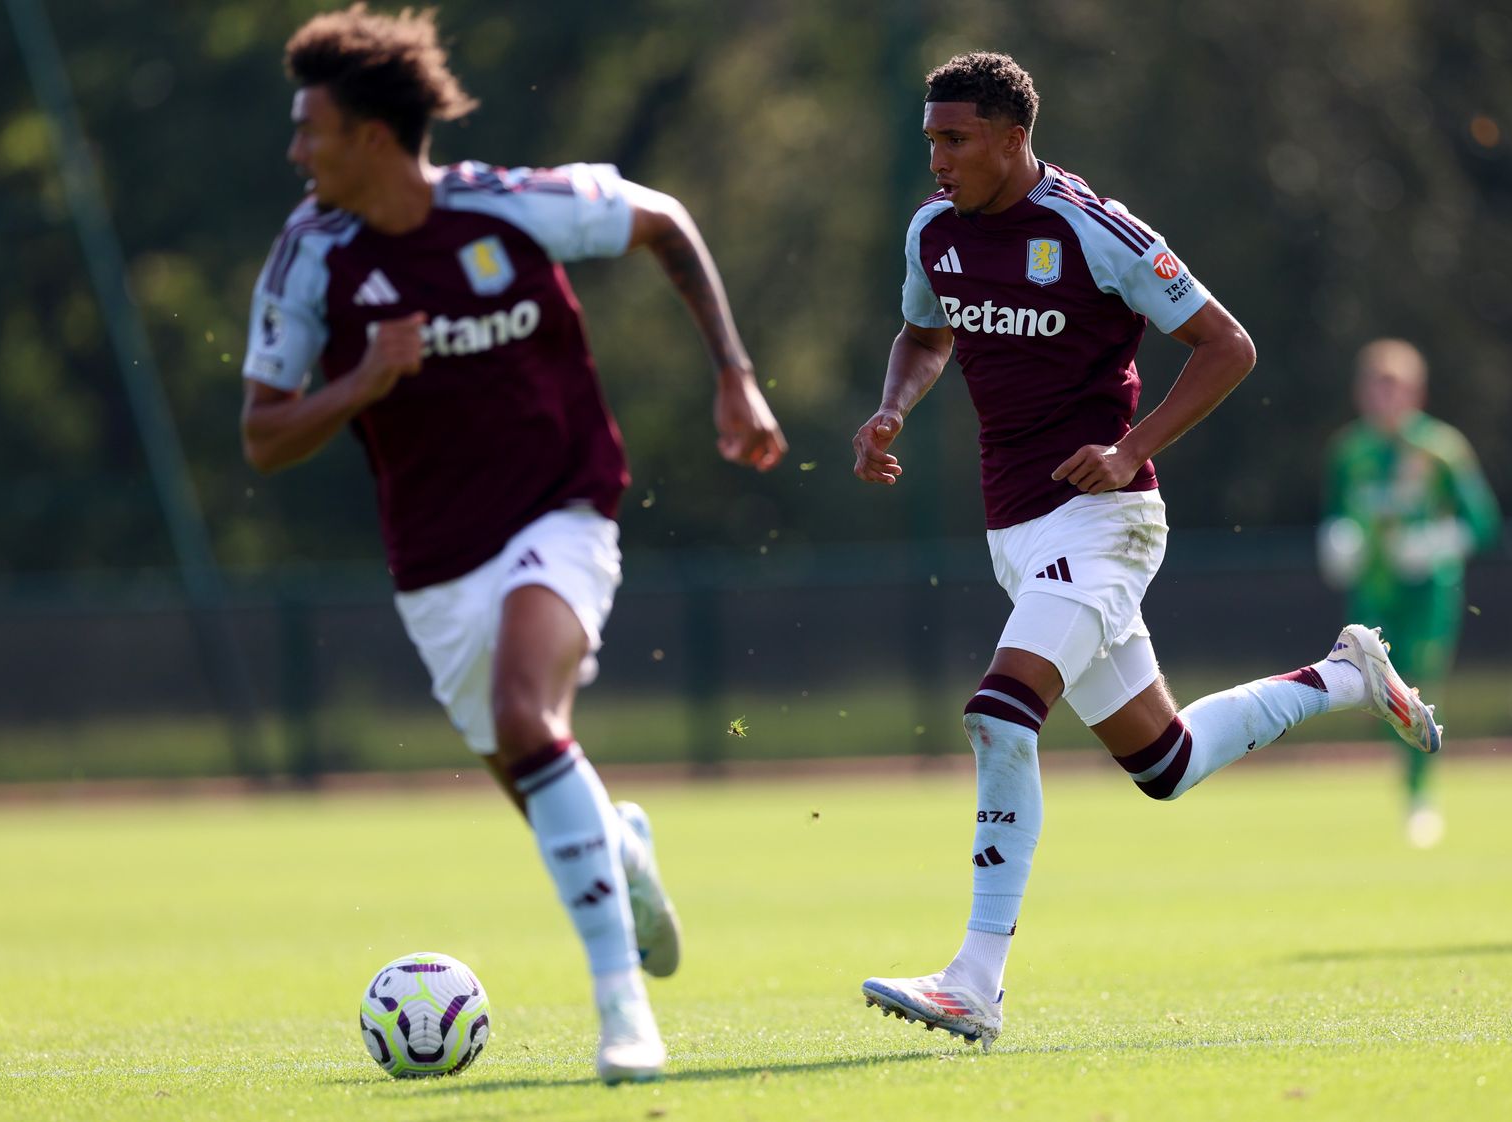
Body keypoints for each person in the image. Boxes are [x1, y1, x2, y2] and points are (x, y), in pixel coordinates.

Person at [851, 52, 1440, 1050]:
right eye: (931, 142)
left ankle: (974, 983)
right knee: (1165, 765)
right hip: (1018, 536)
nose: (938, 160)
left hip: (1109, 523)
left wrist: (1130, 449)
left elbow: (1228, 345)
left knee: (1001, 716)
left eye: (955, 141)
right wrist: (890, 409)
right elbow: (925, 331)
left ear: (1010, 136)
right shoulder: (933, 232)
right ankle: (1346, 676)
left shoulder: (1092, 229)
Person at [239, 5, 786, 1082]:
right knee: (534, 771)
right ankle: (620, 848)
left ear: (374, 138)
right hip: (435, 563)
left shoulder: (514, 206)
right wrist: (362, 382)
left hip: (562, 509)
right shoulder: (310, 255)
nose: (296, 152)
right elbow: (262, 435)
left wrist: (735, 373)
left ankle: (623, 1012)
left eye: (312, 130)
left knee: (525, 715)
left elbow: (665, 221)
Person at [1319, 339, 1501, 848]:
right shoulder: (1348, 451)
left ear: (1415, 392)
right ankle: (1409, 785)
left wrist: (1437, 543)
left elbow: (1483, 523)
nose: (1386, 398)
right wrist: (1338, 542)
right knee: (1375, 692)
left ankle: (1421, 797)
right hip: (1373, 595)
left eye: (1394, 387)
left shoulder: (1442, 449)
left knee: (1420, 682)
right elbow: (1336, 513)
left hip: (1430, 594)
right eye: (1376, 387)